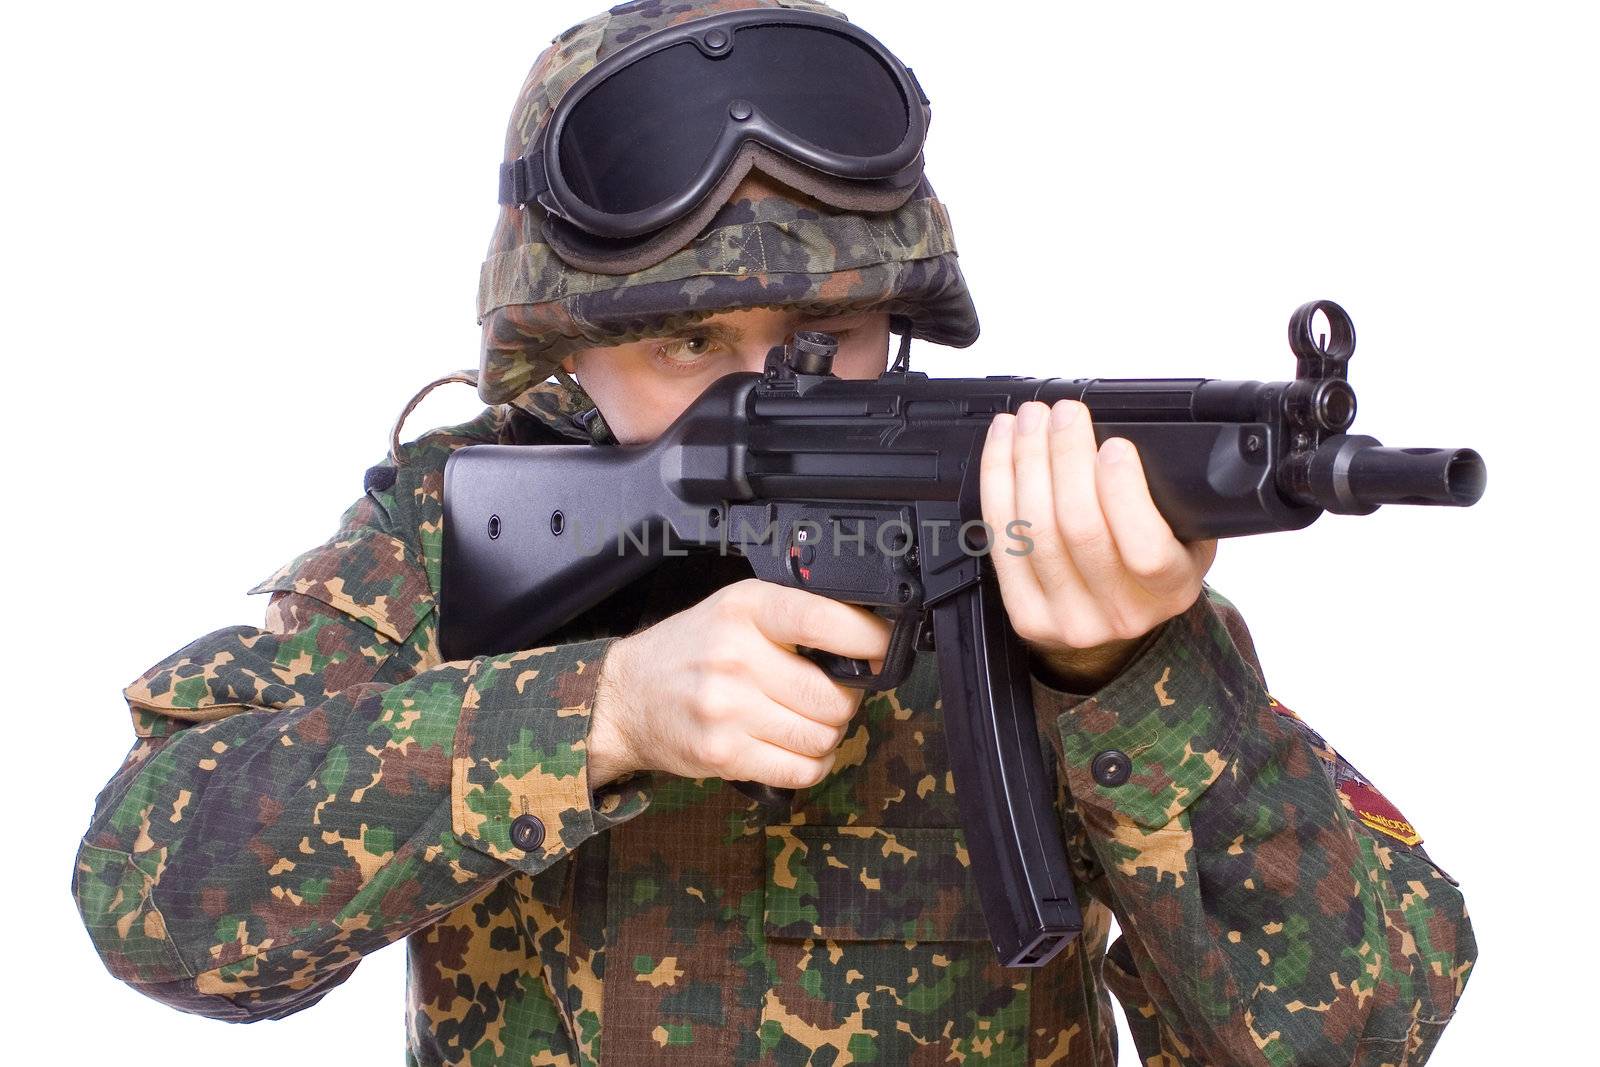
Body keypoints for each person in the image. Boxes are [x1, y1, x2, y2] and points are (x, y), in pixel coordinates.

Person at [72, 2, 1476, 1064]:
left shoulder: (1039, 550)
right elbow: (150, 896)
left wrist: (1130, 682)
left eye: (828, 336)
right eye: (690, 341)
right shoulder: (456, 542)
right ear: (558, 353)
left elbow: (1364, 1030)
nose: (770, 389)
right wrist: (599, 712)